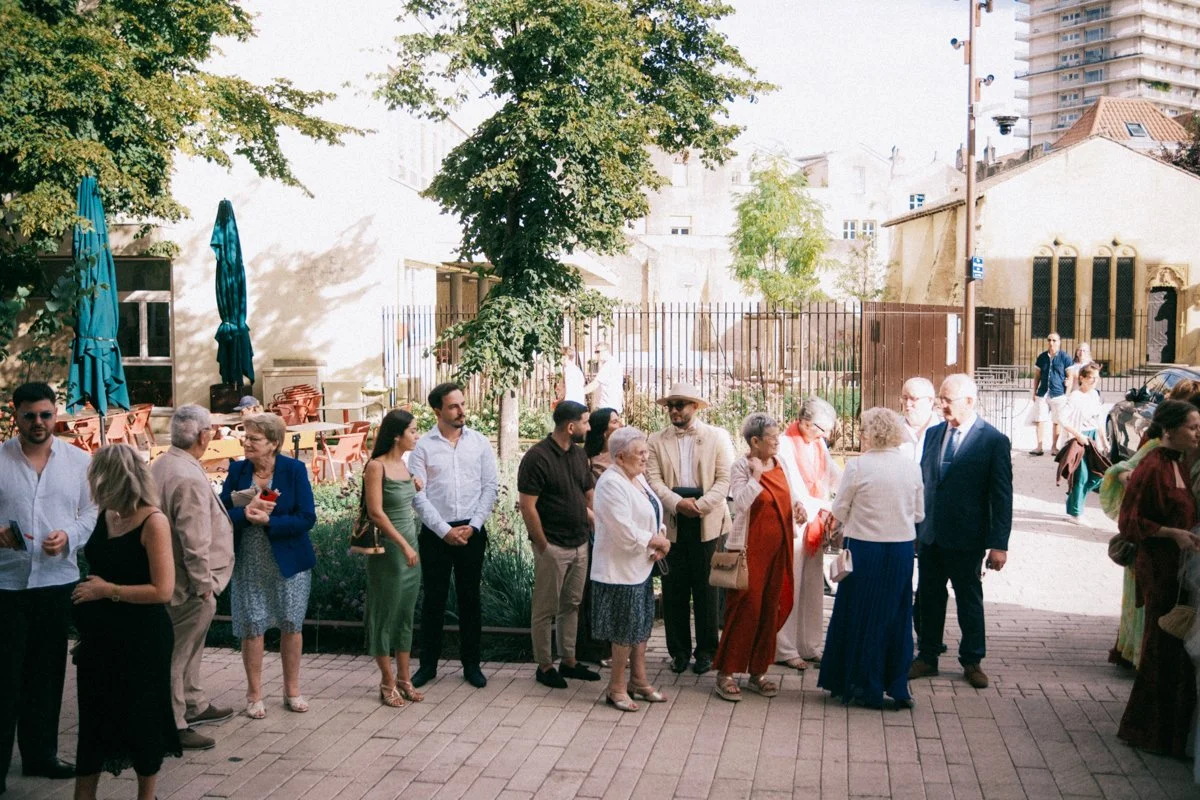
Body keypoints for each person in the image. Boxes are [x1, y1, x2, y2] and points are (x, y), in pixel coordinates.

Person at [0, 382, 97, 792]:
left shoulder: (78, 461)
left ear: (55, 414)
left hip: (56, 582)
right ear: (15, 415)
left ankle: (40, 756)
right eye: (29, 415)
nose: (38, 423)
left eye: (45, 415)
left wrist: (70, 536)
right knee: (4, 679)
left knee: (46, 675)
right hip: (6, 585)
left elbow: (92, 511)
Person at [71, 444, 180, 800]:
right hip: (101, 637)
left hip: (142, 639)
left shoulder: (153, 521)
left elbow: (163, 590)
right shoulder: (107, 515)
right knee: (94, 721)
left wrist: (108, 591)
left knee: (143, 719)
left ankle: (146, 796)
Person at [910, 374, 1012, 689]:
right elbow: (924, 483)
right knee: (928, 596)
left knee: (968, 598)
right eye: (940, 399)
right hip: (931, 534)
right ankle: (927, 656)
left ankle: (972, 660)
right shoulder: (933, 434)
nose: (941, 406)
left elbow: (1001, 496)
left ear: (969, 401)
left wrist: (999, 544)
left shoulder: (993, 441)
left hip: (967, 537)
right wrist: (916, 525)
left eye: (947, 400)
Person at [819, 408, 925, 709]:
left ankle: (861, 682)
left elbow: (839, 509)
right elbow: (919, 514)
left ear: (871, 434)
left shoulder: (858, 467)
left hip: (865, 549)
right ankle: (896, 683)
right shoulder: (911, 467)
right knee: (896, 616)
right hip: (901, 550)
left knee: (860, 614)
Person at [1116, 399, 1200, 758]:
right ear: (1169, 430)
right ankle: (1147, 730)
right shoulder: (1153, 465)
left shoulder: (1179, 462)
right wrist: (1172, 533)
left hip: (1177, 567)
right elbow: (1129, 523)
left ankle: (1168, 732)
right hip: (1159, 567)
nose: (1198, 433)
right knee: (1159, 644)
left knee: (1172, 648)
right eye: (1193, 427)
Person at [150, 405, 235, 751]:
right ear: (204, 435)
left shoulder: (163, 463)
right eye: (211, 430)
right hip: (189, 584)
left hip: (173, 578)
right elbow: (193, 538)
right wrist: (204, 587)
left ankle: (194, 702)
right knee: (178, 652)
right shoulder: (185, 475)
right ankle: (174, 722)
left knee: (190, 647)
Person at [220, 413, 317, 718]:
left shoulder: (293, 470)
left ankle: (292, 690)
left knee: (291, 624)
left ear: (274, 443)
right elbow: (221, 512)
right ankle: (254, 695)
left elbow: (307, 517)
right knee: (252, 625)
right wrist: (244, 514)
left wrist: (270, 521)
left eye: (253, 439)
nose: (246, 443)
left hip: (288, 560)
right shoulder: (237, 471)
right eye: (245, 437)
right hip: (249, 559)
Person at [409, 382, 498, 689]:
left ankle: (472, 665)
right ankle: (428, 666)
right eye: (453, 406)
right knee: (434, 600)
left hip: (472, 531)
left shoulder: (480, 442)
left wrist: (473, 526)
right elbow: (417, 495)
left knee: (470, 600)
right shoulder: (423, 447)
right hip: (437, 534)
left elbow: (490, 487)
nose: (462, 411)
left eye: (462, 404)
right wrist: (445, 531)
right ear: (437, 411)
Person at [713, 413, 805, 702]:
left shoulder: (781, 463)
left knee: (770, 607)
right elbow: (740, 502)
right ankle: (726, 672)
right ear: (755, 441)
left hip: (778, 549)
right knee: (745, 608)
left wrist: (798, 507)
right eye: (771, 437)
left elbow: (788, 497)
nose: (778, 440)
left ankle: (758, 671)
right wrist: (755, 475)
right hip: (749, 549)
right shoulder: (741, 466)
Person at [646, 382, 732, 675]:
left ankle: (707, 651)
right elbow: (653, 480)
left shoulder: (718, 437)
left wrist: (701, 505)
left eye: (679, 404)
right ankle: (679, 651)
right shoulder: (655, 440)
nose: (673, 410)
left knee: (708, 589)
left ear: (695, 406)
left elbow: (724, 479)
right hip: (673, 521)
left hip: (707, 522)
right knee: (674, 589)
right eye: (670, 405)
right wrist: (677, 503)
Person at [519, 401, 602, 688]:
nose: (589, 428)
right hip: (552, 545)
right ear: (570, 426)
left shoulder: (579, 456)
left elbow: (587, 493)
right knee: (545, 609)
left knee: (572, 604)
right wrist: (543, 545)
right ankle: (544, 666)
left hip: (580, 544)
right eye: (585, 422)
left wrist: (590, 522)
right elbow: (527, 507)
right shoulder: (537, 458)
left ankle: (568, 661)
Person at [590, 427, 672, 711]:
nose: (646, 457)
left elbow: (652, 512)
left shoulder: (636, 478)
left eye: (647, 451)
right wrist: (654, 541)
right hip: (619, 570)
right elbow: (622, 528)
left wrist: (659, 534)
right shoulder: (611, 483)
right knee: (624, 631)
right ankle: (616, 688)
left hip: (641, 565)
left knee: (640, 627)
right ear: (620, 456)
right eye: (641, 452)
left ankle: (639, 681)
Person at [775, 396, 842, 670]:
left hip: (816, 520)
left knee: (813, 587)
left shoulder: (818, 443)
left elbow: (833, 475)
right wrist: (825, 508)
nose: (823, 435)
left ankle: (811, 645)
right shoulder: (784, 443)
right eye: (819, 428)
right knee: (792, 585)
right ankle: (785, 648)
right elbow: (793, 488)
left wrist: (846, 494)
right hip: (796, 523)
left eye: (826, 430)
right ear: (803, 421)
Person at [362, 410, 424, 707]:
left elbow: (404, 499)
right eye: (413, 430)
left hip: (410, 545)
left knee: (405, 615)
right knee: (385, 613)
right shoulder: (377, 466)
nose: (417, 435)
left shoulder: (403, 465)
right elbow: (376, 513)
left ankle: (404, 678)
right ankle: (387, 682)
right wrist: (404, 546)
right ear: (397, 435)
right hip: (390, 549)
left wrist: (415, 485)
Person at [1055, 363, 1108, 523]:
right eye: (1091, 377)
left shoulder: (1095, 395)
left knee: (1098, 475)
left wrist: (1104, 439)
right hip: (1079, 439)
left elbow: (1098, 419)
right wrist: (1078, 435)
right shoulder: (1075, 397)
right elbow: (1062, 418)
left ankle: (1073, 500)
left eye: (1097, 378)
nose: (1094, 381)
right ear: (1082, 378)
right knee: (1082, 476)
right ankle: (1076, 513)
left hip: (1092, 438)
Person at [1028, 332, 1073, 456]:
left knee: (1056, 421)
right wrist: (1034, 392)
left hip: (1058, 394)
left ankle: (1054, 447)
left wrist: (1067, 395)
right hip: (1043, 393)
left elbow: (1070, 377)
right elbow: (1037, 376)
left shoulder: (1065, 357)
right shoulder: (1042, 357)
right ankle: (1039, 446)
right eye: (1049, 340)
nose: (1051, 342)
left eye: (1054, 340)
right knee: (1040, 420)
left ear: (1059, 342)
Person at [898, 377, 937, 464]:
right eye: (905, 398)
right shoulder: (893, 429)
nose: (908, 404)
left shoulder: (943, 429)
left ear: (930, 401)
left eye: (913, 398)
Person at [583, 342, 625, 413]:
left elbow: (595, 384)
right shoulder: (615, 363)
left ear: (606, 351)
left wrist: (578, 392)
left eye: (598, 352)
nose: (596, 354)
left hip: (606, 406)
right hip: (612, 405)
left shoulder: (608, 366)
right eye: (595, 352)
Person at [585, 408, 623, 481]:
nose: (621, 425)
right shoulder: (595, 464)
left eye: (619, 421)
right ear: (603, 431)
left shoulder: (626, 452)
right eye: (615, 422)